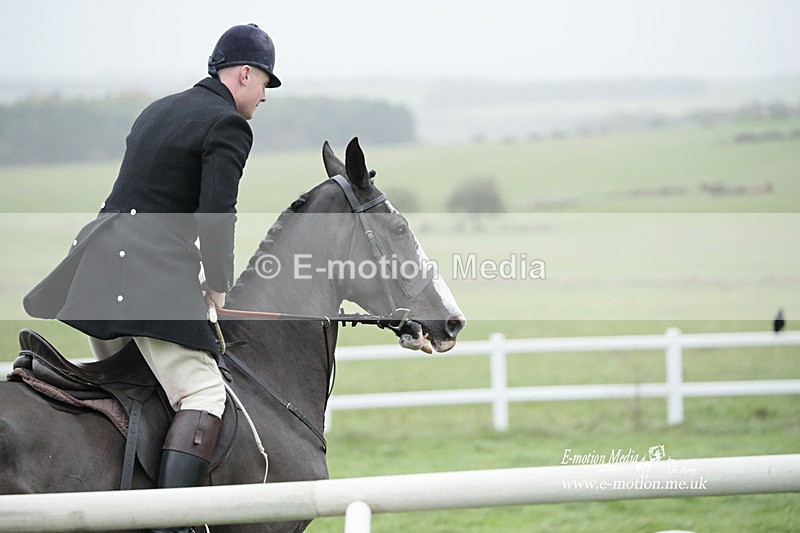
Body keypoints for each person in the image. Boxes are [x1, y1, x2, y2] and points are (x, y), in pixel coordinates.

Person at [23, 22, 280, 523]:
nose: (265, 97)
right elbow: (216, 215)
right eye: (266, 83)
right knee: (202, 393)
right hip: (147, 279)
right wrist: (217, 287)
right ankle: (170, 519)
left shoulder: (159, 108)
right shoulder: (228, 124)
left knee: (134, 389)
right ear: (245, 74)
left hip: (97, 272)